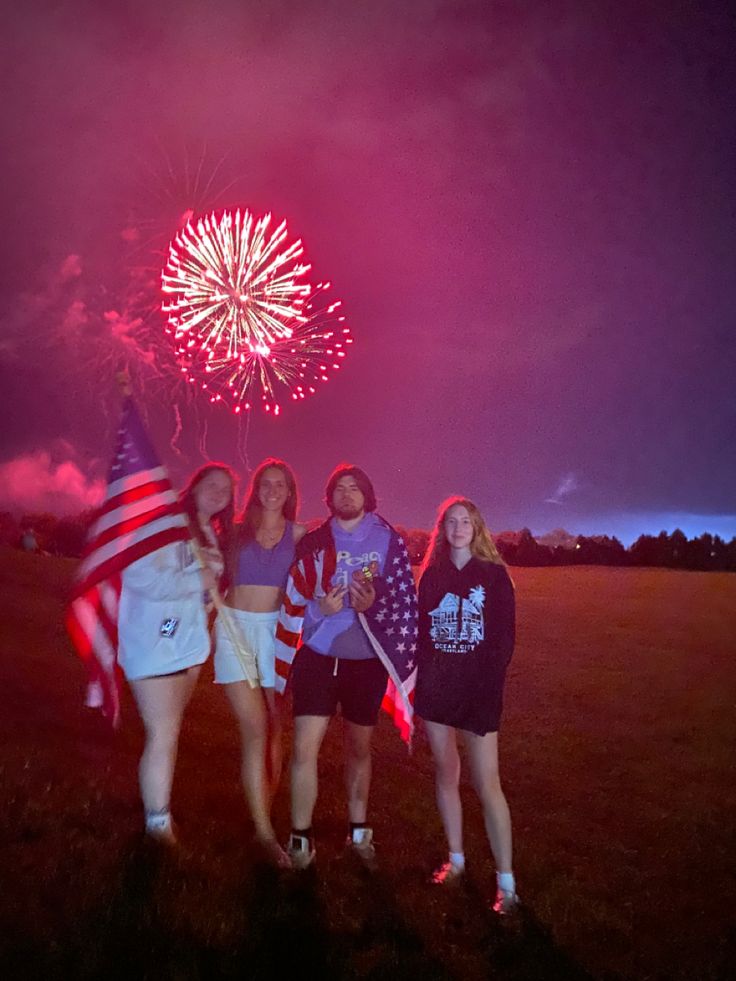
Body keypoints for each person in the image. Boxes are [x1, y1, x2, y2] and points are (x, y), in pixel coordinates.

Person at [274, 464, 417, 870]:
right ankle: (300, 839)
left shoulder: (387, 539)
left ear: (367, 495)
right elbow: (292, 598)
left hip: (365, 661)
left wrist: (372, 600)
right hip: (318, 657)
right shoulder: (315, 541)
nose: (347, 494)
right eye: (339, 488)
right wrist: (321, 607)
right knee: (304, 748)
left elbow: (397, 592)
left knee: (359, 748)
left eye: (354, 488)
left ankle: (359, 833)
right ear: (330, 497)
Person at [117, 463, 235, 845]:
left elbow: (203, 596)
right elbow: (136, 575)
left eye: (227, 489)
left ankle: (158, 809)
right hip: (155, 642)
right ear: (194, 484)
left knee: (169, 731)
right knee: (163, 732)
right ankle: (158, 824)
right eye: (212, 483)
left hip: (186, 645)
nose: (219, 492)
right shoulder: (164, 524)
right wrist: (191, 581)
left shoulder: (209, 534)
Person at [414, 496, 518, 915]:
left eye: (466, 521)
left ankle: (506, 883)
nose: (458, 527)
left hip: (477, 692)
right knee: (445, 771)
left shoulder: (493, 577)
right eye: (451, 521)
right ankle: (455, 859)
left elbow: (502, 643)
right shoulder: (432, 577)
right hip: (437, 689)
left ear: (477, 528)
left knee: (487, 781)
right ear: (442, 530)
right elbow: (421, 633)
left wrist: (486, 690)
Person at [215, 459, 306, 867]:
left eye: (280, 485)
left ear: (290, 493)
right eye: (265, 483)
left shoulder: (300, 534)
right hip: (234, 630)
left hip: (278, 634)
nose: (272, 490)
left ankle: (262, 809)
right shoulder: (234, 530)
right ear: (256, 489)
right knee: (255, 728)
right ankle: (265, 835)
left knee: (274, 727)